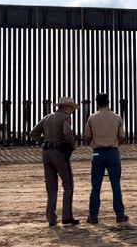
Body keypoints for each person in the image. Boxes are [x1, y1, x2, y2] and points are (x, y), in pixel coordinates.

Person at [30, 97, 80, 227]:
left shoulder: (47, 117)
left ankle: (51, 219)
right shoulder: (65, 118)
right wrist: (73, 145)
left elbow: (33, 133)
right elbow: (67, 132)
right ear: (65, 108)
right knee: (68, 184)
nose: (72, 111)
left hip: (46, 153)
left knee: (51, 187)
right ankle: (67, 217)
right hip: (59, 153)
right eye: (71, 108)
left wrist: (43, 141)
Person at [84, 93, 128, 224]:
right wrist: (113, 145)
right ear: (109, 102)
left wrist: (96, 144)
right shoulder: (116, 117)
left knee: (96, 184)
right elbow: (121, 138)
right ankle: (119, 214)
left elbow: (88, 136)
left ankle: (93, 216)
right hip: (113, 152)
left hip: (97, 152)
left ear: (97, 103)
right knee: (115, 184)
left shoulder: (92, 118)